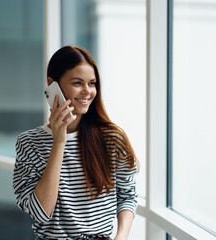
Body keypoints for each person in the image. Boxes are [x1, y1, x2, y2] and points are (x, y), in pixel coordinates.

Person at [13, 46, 138, 240]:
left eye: (92, 83)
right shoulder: (29, 143)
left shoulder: (112, 139)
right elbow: (40, 213)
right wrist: (59, 141)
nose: (87, 92)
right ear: (52, 84)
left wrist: (120, 237)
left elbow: (127, 195)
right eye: (78, 83)